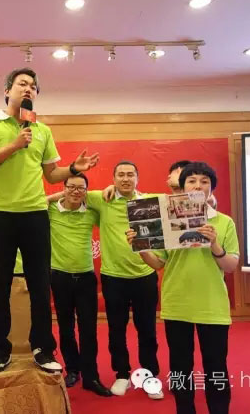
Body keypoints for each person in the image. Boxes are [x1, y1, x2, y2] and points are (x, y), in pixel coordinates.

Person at [0, 67, 99, 375]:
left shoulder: (42, 130)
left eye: (33, 86)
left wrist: (74, 169)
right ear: (7, 91)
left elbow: (52, 175)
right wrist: (14, 145)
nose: (28, 89)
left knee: (40, 285)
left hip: (35, 214)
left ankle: (43, 348)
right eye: (22, 84)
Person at [127, 161, 239, 414]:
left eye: (204, 182)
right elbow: (158, 263)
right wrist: (140, 247)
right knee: (180, 368)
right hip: (177, 303)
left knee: (216, 367)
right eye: (192, 181)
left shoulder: (224, 222)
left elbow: (231, 265)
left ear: (211, 189)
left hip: (212, 305)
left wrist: (214, 244)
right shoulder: (166, 220)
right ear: (183, 187)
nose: (198, 186)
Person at [86, 161, 163, 399]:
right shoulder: (103, 199)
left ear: (138, 178)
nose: (126, 179)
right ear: (113, 178)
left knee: (147, 330)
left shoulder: (148, 202)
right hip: (113, 278)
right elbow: (71, 193)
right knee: (116, 329)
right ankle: (121, 374)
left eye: (130, 175)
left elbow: (185, 202)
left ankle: (150, 376)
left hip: (145, 275)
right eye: (120, 175)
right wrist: (107, 189)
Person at [48, 174, 112, 397]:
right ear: (63, 188)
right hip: (59, 277)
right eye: (71, 187)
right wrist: (55, 196)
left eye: (81, 188)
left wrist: (111, 186)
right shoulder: (51, 210)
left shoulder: (92, 212)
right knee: (65, 328)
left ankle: (91, 376)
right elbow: (35, 203)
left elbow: (110, 207)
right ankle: (72, 370)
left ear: (87, 191)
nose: (76, 192)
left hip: (86, 278)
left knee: (88, 329)